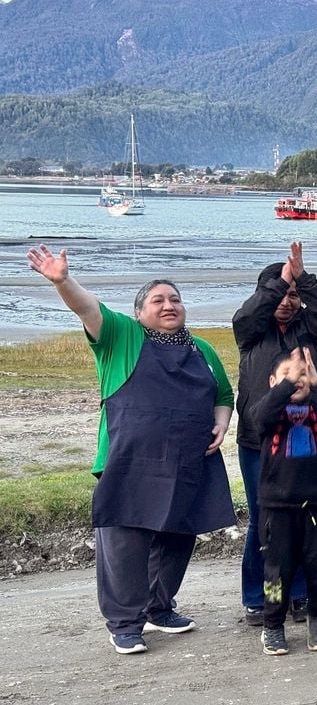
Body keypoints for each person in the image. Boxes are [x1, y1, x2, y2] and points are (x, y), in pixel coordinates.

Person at [26, 245, 235, 655]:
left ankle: (159, 608)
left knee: (178, 537)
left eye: (174, 299)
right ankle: (124, 623)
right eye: (157, 300)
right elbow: (88, 309)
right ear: (139, 312)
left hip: (188, 460)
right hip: (128, 461)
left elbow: (223, 393)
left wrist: (222, 422)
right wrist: (63, 281)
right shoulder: (121, 335)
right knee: (125, 544)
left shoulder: (203, 349)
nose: (168, 305)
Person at [232, 242, 317, 627]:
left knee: (305, 523)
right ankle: (262, 599)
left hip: (308, 444)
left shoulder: (308, 330)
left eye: (294, 295)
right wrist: (281, 281)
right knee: (266, 525)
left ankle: (297, 597)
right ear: (265, 292)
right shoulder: (250, 332)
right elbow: (253, 309)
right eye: (279, 292)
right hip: (259, 443)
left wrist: (302, 277)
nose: (287, 301)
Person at [250, 347, 317, 655]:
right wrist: (287, 384)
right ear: (273, 382)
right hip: (277, 510)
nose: (297, 380)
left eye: (302, 374)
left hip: (315, 508)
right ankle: (273, 625)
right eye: (288, 375)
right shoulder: (270, 412)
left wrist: (316, 383)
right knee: (277, 571)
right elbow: (259, 416)